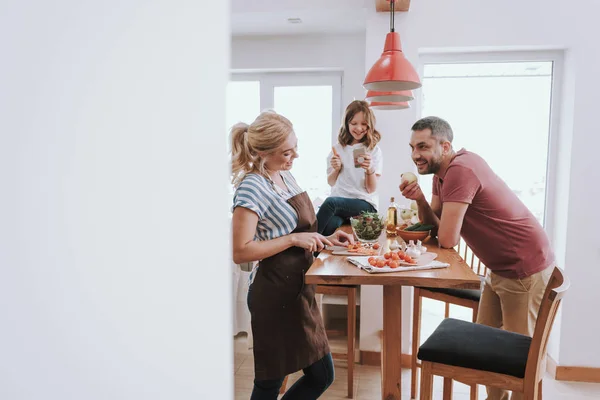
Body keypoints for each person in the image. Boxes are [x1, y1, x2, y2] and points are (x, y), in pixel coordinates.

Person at [400, 116, 555, 400]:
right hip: (498, 268)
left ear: (445, 146)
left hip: (523, 268)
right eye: (412, 147)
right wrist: (420, 199)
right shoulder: (440, 173)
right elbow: (434, 224)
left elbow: (447, 239)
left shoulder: (460, 171)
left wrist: (434, 218)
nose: (415, 155)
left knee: (521, 366)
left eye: (422, 146)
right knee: (488, 350)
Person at [230, 110, 355, 400]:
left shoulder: (285, 175)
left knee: (319, 375)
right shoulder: (252, 186)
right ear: (262, 152)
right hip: (274, 295)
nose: (294, 156)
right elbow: (240, 251)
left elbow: (297, 232)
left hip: (298, 290)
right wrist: (294, 238)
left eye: (295, 147)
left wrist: (326, 238)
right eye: (286, 152)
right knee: (272, 383)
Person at [316, 100, 383, 236]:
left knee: (330, 203)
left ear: (370, 125)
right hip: (340, 205)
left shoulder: (373, 150)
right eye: (354, 123)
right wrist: (336, 169)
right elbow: (331, 182)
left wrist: (370, 169)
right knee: (331, 225)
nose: (359, 128)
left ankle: (303, 246)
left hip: (364, 204)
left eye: (364, 124)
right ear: (347, 124)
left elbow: (371, 189)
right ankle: (314, 256)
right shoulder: (337, 149)